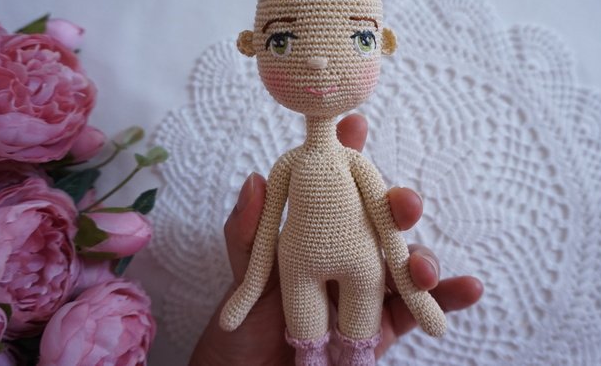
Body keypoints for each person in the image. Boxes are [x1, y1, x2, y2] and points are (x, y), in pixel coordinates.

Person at [189, 114, 483, 366]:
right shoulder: (288, 165)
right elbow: (265, 232)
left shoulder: (352, 163)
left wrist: (413, 292)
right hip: (301, 267)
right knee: (308, 345)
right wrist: (252, 287)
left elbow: (387, 226)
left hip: (354, 262)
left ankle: (357, 355)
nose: (318, 68)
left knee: (359, 340)